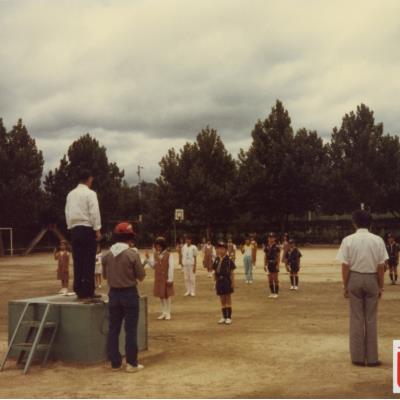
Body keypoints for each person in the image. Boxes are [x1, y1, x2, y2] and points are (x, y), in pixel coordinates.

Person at [336, 210, 387, 367]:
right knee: (371, 319)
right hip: (372, 278)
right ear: (370, 223)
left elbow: (345, 266)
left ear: (354, 223)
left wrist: (345, 286)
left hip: (355, 278)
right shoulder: (378, 240)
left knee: (356, 318)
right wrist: (380, 286)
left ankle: (357, 357)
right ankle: (372, 358)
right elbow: (380, 266)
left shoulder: (348, 240)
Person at [102, 222, 146, 372]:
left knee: (113, 329)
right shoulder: (132, 254)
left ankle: (115, 363)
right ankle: (131, 363)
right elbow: (141, 276)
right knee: (130, 330)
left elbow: (104, 276)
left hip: (113, 294)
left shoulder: (106, 254)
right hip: (129, 293)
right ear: (130, 237)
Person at [65, 169, 102, 300]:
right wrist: (97, 230)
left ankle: (78, 289)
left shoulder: (70, 194)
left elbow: (67, 212)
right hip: (87, 228)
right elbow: (94, 212)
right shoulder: (90, 194)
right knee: (89, 261)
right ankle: (88, 290)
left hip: (74, 230)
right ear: (89, 179)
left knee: (78, 260)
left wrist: (71, 227)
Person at [144, 237, 174, 320]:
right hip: (158, 277)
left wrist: (170, 278)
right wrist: (148, 259)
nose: (158, 247)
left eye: (159, 246)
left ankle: (168, 312)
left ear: (163, 246)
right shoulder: (155, 254)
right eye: (156, 246)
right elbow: (154, 266)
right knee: (161, 295)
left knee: (167, 295)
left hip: (166, 277)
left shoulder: (168, 254)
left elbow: (171, 267)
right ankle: (163, 312)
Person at [213, 241, 236, 325]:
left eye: (222, 249)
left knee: (228, 298)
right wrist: (215, 282)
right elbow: (215, 271)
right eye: (219, 249)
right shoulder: (217, 259)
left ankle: (229, 317)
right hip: (219, 281)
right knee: (222, 299)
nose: (220, 250)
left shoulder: (229, 260)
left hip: (226, 280)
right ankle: (223, 316)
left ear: (226, 250)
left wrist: (233, 282)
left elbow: (232, 273)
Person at [264, 233, 281, 298]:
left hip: (274, 263)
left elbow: (278, 256)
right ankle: (272, 292)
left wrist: (278, 265)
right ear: (268, 238)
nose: (271, 239)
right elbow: (265, 256)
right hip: (269, 264)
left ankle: (276, 293)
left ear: (274, 238)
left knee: (275, 279)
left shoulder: (276, 247)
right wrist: (264, 265)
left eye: (272, 237)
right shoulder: (267, 246)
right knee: (270, 279)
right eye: (270, 237)